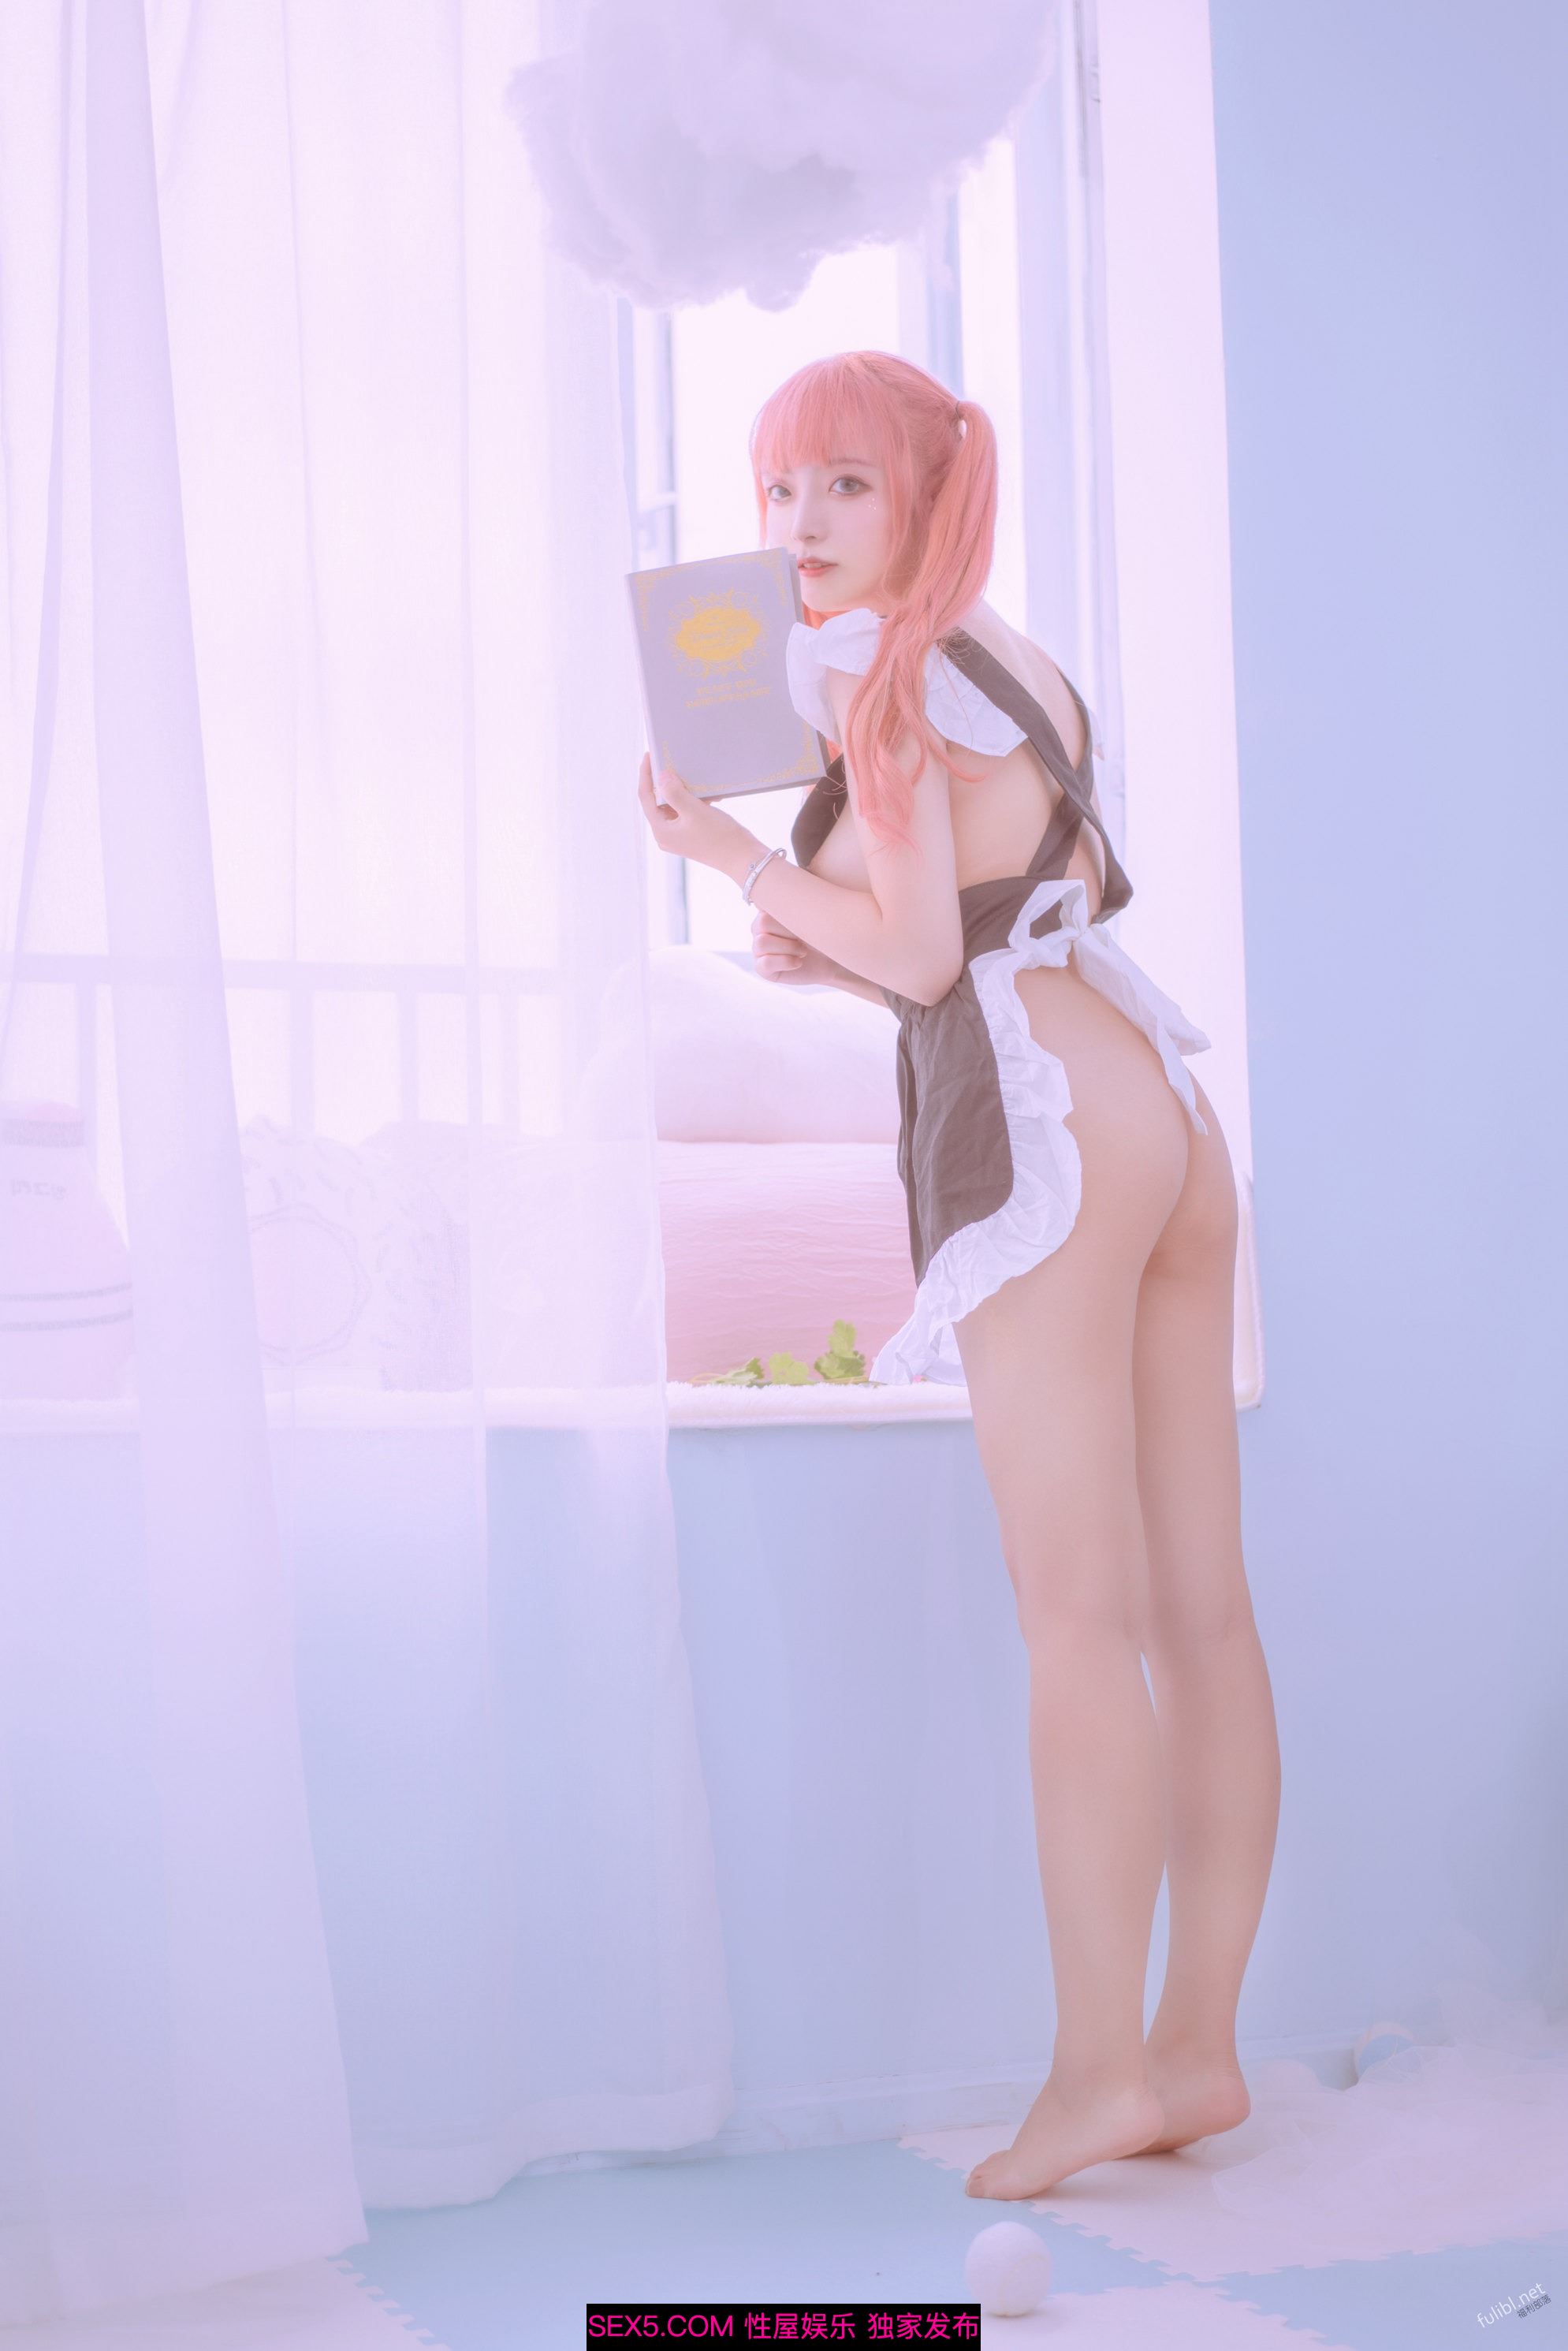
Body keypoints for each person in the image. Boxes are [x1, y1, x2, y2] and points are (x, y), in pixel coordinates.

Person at [635, 349, 1281, 2202]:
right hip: (1150, 1095)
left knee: (1075, 1618)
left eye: (843, 485)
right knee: (1200, 1614)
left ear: (928, 488)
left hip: (1044, 1125)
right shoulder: (1013, 656)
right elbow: (962, 919)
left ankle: (1094, 2078)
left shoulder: (878, 674)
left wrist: (730, 855)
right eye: (778, 490)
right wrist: (820, 932)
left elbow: (926, 962)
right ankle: (1194, 2051)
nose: (799, 526)